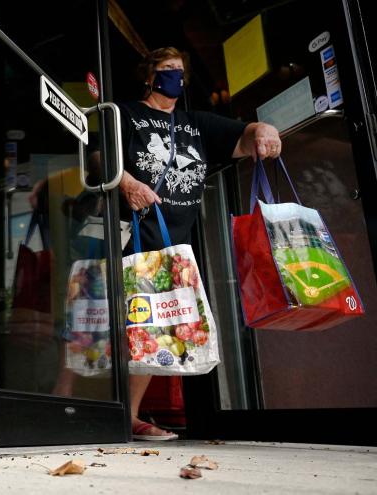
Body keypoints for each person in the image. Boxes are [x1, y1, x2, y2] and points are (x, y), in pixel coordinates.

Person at [119, 47, 281, 440]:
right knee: (101, 319)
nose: (174, 75)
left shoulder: (196, 123)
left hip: (173, 241)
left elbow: (241, 138)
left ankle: (128, 415)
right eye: (165, 69)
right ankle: (64, 401)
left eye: (179, 70)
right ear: (149, 76)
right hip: (130, 231)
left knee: (154, 325)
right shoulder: (125, 114)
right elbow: (96, 157)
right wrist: (125, 182)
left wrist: (262, 130)